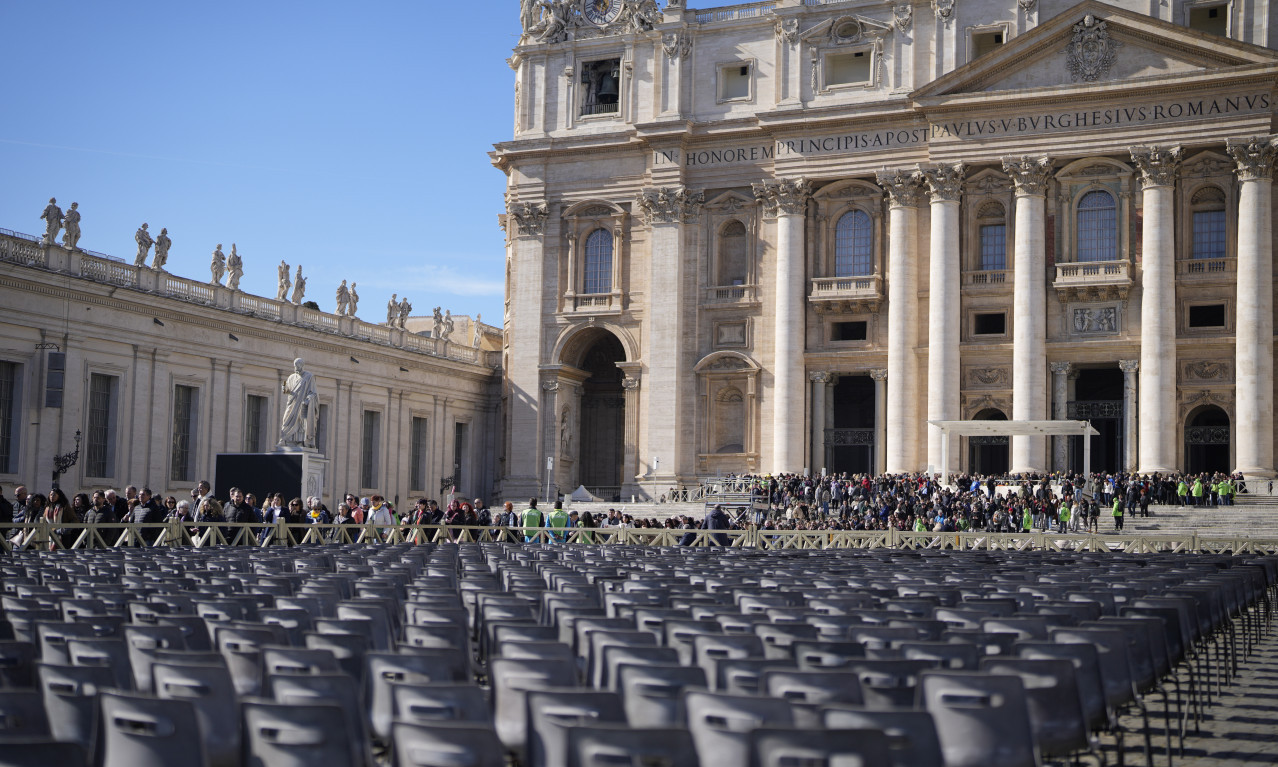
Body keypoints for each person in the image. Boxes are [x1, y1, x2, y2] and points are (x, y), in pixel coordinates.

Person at [280, 358, 320, 447]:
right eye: (295, 366)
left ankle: (299, 442)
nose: (296, 368)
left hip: (302, 405)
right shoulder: (291, 377)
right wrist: (284, 389)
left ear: (302, 366)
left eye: (297, 366)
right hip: (292, 403)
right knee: (286, 420)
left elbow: (313, 392)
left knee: (301, 424)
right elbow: (287, 390)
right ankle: (285, 439)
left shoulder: (309, 377)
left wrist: (307, 400)